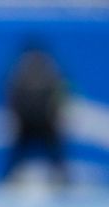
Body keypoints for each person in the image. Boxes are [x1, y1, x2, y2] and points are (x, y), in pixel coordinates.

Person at [5, 40, 69, 186]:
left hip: (46, 123)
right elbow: (12, 97)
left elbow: (61, 94)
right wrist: (17, 118)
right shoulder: (18, 73)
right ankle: (7, 180)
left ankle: (64, 180)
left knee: (56, 154)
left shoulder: (52, 73)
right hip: (26, 123)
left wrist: (56, 116)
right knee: (16, 154)